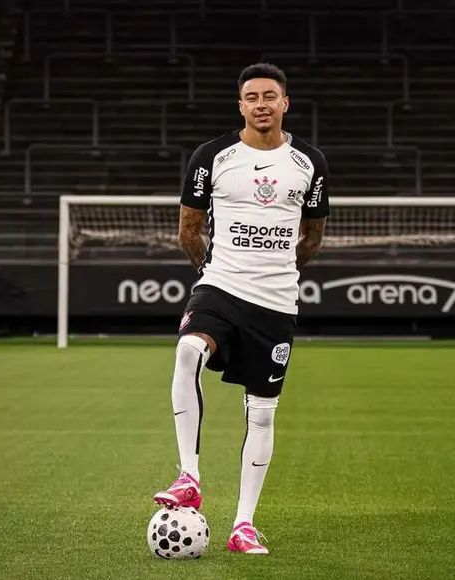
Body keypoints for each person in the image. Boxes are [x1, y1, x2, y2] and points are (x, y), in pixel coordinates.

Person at [152, 62, 329, 555]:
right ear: (241, 105)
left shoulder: (310, 162)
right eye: (252, 97)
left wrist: (278, 272)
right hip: (220, 286)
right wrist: (212, 272)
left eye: (270, 96)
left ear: (285, 102)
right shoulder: (212, 156)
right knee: (187, 350)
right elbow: (189, 229)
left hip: (276, 303)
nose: (261, 104)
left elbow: (312, 236)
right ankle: (189, 476)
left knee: (262, 414)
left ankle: (243, 525)